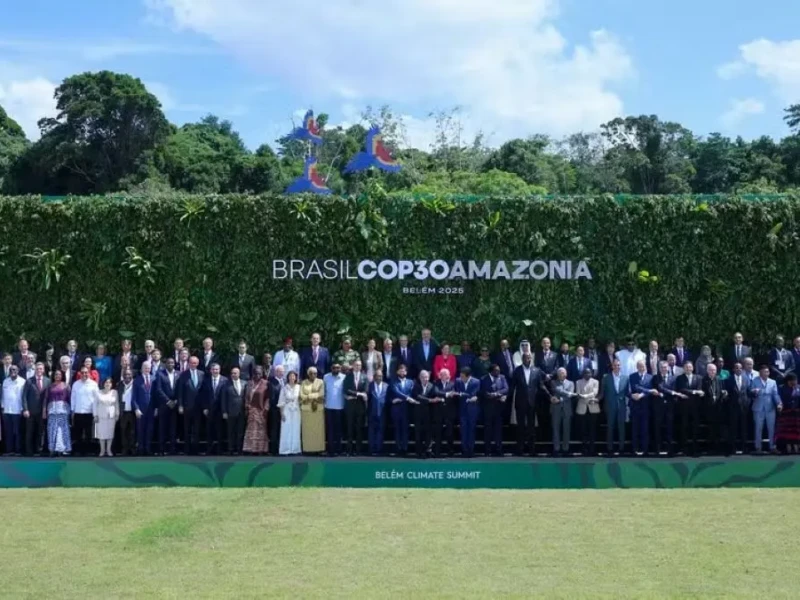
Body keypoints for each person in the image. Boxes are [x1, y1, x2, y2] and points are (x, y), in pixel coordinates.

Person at [512, 353, 549, 456]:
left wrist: (550, 396)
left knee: (531, 428)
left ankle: (532, 450)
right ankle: (520, 450)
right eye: (526, 358)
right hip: (520, 402)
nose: (528, 359)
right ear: (522, 359)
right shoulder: (517, 371)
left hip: (532, 403)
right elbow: (512, 386)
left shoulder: (536, 370)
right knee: (520, 427)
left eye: (529, 358)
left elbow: (541, 385)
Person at [750, 364, 782, 454]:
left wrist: (779, 403)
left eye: (768, 371)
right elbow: (750, 392)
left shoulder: (773, 382)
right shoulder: (754, 381)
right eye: (765, 371)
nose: (767, 373)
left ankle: (772, 447)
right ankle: (758, 448)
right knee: (758, 428)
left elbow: (775, 394)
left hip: (770, 408)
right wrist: (754, 392)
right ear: (760, 373)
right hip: (758, 408)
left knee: (771, 428)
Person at [599, 358, 628, 455]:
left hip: (621, 406)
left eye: (618, 365)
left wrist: (635, 396)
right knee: (610, 427)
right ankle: (609, 449)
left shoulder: (625, 378)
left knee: (621, 427)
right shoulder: (606, 377)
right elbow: (601, 394)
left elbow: (628, 393)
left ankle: (621, 449)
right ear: (612, 366)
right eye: (615, 365)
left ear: (620, 366)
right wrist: (595, 399)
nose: (617, 367)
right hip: (610, 406)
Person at [178, 356, 205, 455]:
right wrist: (180, 405)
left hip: (198, 407)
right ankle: (187, 449)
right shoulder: (183, 375)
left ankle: (196, 449)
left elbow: (204, 391)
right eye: (191, 363)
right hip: (187, 406)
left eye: (195, 363)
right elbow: (180, 391)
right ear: (188, 363)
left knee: (197, 429)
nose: (193, 364)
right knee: (187, 429)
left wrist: (204, 406)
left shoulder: (202, 374)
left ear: (197, 364)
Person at [676, 361, 704, 456]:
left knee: (695, 427)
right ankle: (684, 448)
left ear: (693, 368)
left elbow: (700, 390)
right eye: (686, 367)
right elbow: (681, 389)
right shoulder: (680, 378)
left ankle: (695, 448)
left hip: (695, 407)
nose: (688, 368)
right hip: (684, 407)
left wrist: (695, 392)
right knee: (684, 427)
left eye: (690, 367)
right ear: (684, 368)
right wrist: (694, 392)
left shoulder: (699, 378)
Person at [629, 360, 657, 455]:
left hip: (646, 406)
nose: (642, 368)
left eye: (643, 366)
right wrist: (648, 391)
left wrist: (642, 395)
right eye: (640, 366)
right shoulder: (632, 376)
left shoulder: (651, 377)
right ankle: (634, 449)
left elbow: (653, 392)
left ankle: (645, 450)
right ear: (637, 367)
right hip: (635, 406)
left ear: (646, 366)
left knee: (645, 429)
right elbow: (635, 387)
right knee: (634, 429)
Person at [71, 366, 100, 456]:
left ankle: (88, 451)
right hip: (78, 412)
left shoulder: (94, 384)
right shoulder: (75, 384)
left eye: (86, 372)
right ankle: (79, 451)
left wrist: (96, 413)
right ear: (80, 373)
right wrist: (72, 410)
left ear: (89, 373)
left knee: (88, 434)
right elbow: (73, 398)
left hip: (89, 412)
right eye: (82, 372)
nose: (84, 374)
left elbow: (97, 399)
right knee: (78, 434)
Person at [652, 361, 679, 455]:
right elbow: (659, 388)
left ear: (668, 368)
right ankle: (657, 449)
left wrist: (672, 393)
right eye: (662, 367)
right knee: (657, 427)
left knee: (669, 427)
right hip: (658, 406)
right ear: (659, 368)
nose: (664, 369)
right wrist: (671, 392)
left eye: (665, 367)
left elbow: (675, 390)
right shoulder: (655, 378)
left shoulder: (673, 378)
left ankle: (669, 449)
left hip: (669, 406)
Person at [481, 364, 508, 457]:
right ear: (491, 371)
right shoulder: (484, 379)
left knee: (498, 430)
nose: (498, 372)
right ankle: (487, 450)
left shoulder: (502, 377)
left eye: (499, 370)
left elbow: (506, 389)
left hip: (499, 408)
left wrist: (496, 394)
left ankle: (499, 449)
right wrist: (492, 396)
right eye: (496, 370)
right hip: (488, 408)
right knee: (488, 429)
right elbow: (483, 392)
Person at [23, 362, 49, 456]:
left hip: (42, 412)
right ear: (35, 370)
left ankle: (38, 450)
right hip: (30, 411)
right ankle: (29, 451)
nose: (39, 371)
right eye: (37, 369)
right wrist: (25, 409)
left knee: (40, 432)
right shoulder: (29, 381)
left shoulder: (47, 381)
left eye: (41, 369)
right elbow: (24, 396)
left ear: (43, 370)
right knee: (29, 432)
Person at [725, 362, 751, 455]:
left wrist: (752, 395)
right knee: (733, 429)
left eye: (740, 368)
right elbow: (726, 393)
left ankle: (744, 448)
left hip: (744, 408)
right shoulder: (729, 380)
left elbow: (748, 392)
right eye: (736, 368)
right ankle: (732, 448)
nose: (738, 369)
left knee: (744, 428)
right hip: (733, 408)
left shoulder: (746, 379)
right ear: (733, 369)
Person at [550, 367, 576, 457]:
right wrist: (567, 393)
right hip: (556, 409)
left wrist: (560, 399)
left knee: (566, 430)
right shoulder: (553, 382)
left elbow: (570, 395)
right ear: (557, 374)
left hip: (567, 410)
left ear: (566, 374)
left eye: (564, 373)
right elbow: (557, 390)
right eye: (560, 373)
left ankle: (565, 449)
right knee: (555, 430)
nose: (562, 374)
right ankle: (556, 449)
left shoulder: (571, 383)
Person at [155, 357, 180, 455]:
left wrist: (176, 400)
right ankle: (161, 449)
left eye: (172, 363)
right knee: (162, 427)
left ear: (174, 364)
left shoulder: (178, 374)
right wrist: (168, 401)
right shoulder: (160, 374)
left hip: (175, 405)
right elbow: (158, 389)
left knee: (173, 428)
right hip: (164, 405)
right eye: (168, 363)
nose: (170, 364)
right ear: (165, 364)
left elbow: (180, 389)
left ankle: (172, 449)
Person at [243, 366, 269, 455]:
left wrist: (265, 408)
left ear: (262, 374)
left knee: (261, 431)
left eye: (259, 373)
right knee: (251, 430)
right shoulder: (249, 383)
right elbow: (246, 396)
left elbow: (268, 398)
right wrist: (247, 406)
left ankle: (261, 449)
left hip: (261, 411)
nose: (257, 375)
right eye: (256, 373)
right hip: (251, 410)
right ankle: (251, 449)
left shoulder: (266, 383)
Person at [344, 360, 368, 455]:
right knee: (349, 428)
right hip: (350, 406)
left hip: (360, 406)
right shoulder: (348, 376)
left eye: (360, 365)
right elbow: (347, 390)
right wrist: (359, 394)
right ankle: (349, 450)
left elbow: (366, 390)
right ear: (353, 366)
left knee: (359, 429)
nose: (358, 366)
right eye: (356, 365)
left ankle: (358, 450)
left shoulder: (364, 377)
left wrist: (358, 394)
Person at [455, 367, 480, 458]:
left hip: (472, 410)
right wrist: (462, 394)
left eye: (463, 376)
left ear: (468, 376)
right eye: (460, 376)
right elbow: (457, 392)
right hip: (462, 410)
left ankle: (471, 450)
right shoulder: (458, 381)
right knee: (463, 430)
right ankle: (464, 450)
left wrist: (462, 394)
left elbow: (473, 394)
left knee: (471, 430)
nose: (461, 378)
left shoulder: (476, 382)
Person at [44, 370, 71, 456]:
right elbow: (46, 399)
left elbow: (70, 399)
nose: (57, 376)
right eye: (56, 374)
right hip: (52, 410)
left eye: (59, 374)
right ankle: (52, 449)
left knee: (62, 430)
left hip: (63, 410)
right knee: (52, 429)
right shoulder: (50, 386)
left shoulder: (66, 386)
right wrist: (44, 410)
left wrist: (71, 410)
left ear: (62, 375)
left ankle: (61, 449)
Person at [203, 363, 228, 455]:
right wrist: (204, 407)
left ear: (220, 370)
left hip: (220, 409)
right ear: (210, 370)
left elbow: (226, 396)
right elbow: (203, 395)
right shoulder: (206, 380)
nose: (215, 371)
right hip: (209, 409)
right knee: (209, 430)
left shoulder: (225, 380)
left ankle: (220, 450)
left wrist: (225, 410)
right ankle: (209, 450)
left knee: (220, 430)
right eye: (213, 369)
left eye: (217, 369)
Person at [299, 367, 325, 454]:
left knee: (318, 430)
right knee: (307, 430)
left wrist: (308, 396)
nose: (313, 375)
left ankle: (319, 449)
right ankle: (308, 449)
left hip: (318, 410)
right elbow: (301, 395)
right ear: (308, 374)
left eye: (315, 373)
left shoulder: (321, 382)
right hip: (306, 410)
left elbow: (321, 394)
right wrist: (314, 396)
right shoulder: (303, 382)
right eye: (311, 373)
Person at [575, 367, 600, 456]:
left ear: (591, 374)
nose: (587, 374)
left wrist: (585, 396)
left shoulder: (596, 382)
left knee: (592, 430)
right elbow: (578, 393)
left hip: (592, 408)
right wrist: (582, 396)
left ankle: (592, 449)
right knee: (583, 430)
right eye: (585, 373)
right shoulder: (578, 382)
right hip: (582, 408)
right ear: (583, 374)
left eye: (589, 373)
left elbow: (595, 392)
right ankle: (584, 449)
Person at [132, 361, 156, 456]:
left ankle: (148, 448)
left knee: (150, 429)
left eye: (149, 368)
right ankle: (140, 448)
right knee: (140, 429)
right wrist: (136, 409)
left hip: (151, 409)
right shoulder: (137, 380)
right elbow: (134, 397)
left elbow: (155, 395)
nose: (147, 370)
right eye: (145, 368)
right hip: (141, 410)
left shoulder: (154, 378)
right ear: (142, 368)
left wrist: (156, 408)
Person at [703, 363, 727, 454]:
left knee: (717, 428)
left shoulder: (719, 380)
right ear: (707, 371)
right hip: (708, 408)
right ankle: (709, 447)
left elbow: (721, 391)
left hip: (718, 408)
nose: (712, 372)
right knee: (709, 429)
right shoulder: (704, 380)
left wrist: (724, 393)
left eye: (714, 370)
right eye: (711, 370)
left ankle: (717, 447)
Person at [1, 365, 26, 455]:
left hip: (17, 410)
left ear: (18, 370)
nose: (13, 371)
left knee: (17, 432)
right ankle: (9, 450)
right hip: (6, 410)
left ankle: (18, 450)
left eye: (15, 369)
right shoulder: (5, 381)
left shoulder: (22, 381)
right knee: (8, 432)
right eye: (11, 370)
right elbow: (3, 396)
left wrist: (23, 409)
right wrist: (2, 407)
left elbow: (24, 397)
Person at [410, 370, 434, 458]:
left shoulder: (431, 386)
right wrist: (428, 400)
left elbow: (434, 395)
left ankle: (428, 450)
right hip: (418, 413)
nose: (426, 379)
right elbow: (417, 396)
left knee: (428, 433)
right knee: (418, 432)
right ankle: (419, 451)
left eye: (427, 377)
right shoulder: (416, 386)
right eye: (424, 377)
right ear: (420, 378)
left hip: (428, 413)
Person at [223, 367, 247, 454]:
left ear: (239, 373)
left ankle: (239, 449)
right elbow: (223, 399)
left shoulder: (245, 383)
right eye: (232, 373)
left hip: (242, 411)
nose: (234, 374)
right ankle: (230, 449)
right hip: (230, 412)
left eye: (235, 373)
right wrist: (224, 411)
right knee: (230, 432)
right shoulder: (226, 384)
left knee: (240, 431)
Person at [390, 364, 413, 456]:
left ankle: (405, 448)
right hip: (396, 410)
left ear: (406, 372)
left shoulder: (411, 382)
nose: (402, 372)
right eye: (400, 370)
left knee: (405, 430)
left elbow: (412, 393)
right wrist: (407, 398)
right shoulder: (393, 382)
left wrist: (404, 399)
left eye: (404, 370)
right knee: (397, 429)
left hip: (406, 409)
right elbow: (396, 392)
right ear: (397, 372)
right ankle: (398, 448)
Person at [322, 363, 345, 456]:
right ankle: (330, 449)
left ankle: (339, 449)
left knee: (339, 429)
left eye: (338, 367)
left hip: (340, 406)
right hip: (329, 406)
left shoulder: (344, 377)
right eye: (334, 367)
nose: (336, 369)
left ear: (340, 369)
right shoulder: (326, 377)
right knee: (330, 429)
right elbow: (323, 391)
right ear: (331, 368)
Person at [431, 368, 454, 457]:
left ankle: (450, 450)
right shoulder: (435, 383)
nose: (444, 376)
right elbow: (436, 392)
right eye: (442, 374)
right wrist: (447, 394)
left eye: (446, 374)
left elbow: (453, 394)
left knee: (450, 432)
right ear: (439, 375)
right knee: (438, 432)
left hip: (449, 411)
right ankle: (437, 451)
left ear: (449, 375)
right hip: (438, 411)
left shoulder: (453, 384)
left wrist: (442, 395)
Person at [93, 377, 118, 457]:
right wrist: (95, 415)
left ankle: (109, 450)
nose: (108, 384)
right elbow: (95, 405)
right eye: (106, 382)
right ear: (103, 383)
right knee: (102, 434)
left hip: (111, 416)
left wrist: (117, 414)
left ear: (111, 384)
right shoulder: (98, 392)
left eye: (109, 382)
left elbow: (116, 404)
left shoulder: (115, 392)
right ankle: (102, 450)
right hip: (101, 416)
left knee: (110, 434)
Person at [277, 371, 301, 455]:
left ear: (296, 377)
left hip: (296, 410)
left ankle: (295, 449)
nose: (292, 377)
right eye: (290, 376)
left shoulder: (299, 387)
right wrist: (281, 413)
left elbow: (301, 399)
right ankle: (285, 450)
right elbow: (281, 401)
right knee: (286, 429)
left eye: (293, 376)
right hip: (286, 410)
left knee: (295, 429)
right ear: (288, 377)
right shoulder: (284, 387)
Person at [777, 372, 800, 453]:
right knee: (787, 432)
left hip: (796, 414)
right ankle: (787, 448)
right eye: (793, 380)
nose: (795, 382)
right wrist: (780, 405)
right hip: (786, 413)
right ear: (788, 381)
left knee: (796, 432)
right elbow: (779, 398)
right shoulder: (782, 388)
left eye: (796, 380)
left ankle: (797, 448)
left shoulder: (798, 388)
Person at [367, 369, 389, 456]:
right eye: (377, 376)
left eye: (380, 376)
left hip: (383, 412)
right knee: (371, 431)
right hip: (372, 411)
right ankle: (372, 449)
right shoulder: (370, 385)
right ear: (374, 377)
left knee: (381, 431)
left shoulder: (386, 386)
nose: (379, 377)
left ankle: (379, 449)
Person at [117, 369, 136, 456]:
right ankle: (124, 449)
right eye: (125, 374)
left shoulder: (136, 384)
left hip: (133, 411)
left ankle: (132, 449)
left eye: (129, 374)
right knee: (123, 431)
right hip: (123, 412)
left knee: (133, 431)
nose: (127, 376)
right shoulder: (120, 385)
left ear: (132, 375)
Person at [268, 365, 285, 456]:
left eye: (283, 371)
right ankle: (274, 450)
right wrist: (277, 407)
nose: (282, 373)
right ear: (275, 372)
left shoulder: (284, 381)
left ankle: (281, 448)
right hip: (275, 410)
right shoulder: (271, 382)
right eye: (280, 371)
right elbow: (271, 398)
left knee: (281, 429)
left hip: (284, 410)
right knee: (274, 429)